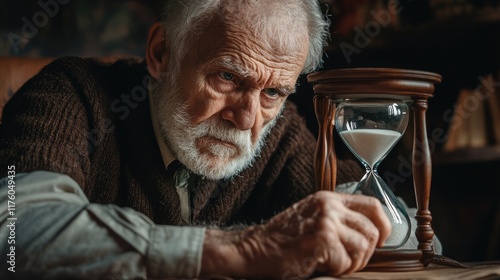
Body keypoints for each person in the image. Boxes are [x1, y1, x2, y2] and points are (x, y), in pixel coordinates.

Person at [0, 0, 401, 279]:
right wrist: (244, 250)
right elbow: (13, 236)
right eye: (227, 77)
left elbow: (395, 227)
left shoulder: (280, 130)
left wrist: (367, 224)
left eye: (273, 93)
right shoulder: (68, 94)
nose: (246, 119)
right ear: (162, 53)